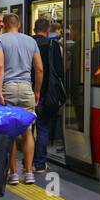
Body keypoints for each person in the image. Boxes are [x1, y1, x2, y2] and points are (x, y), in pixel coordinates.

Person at [0, 12, 43, 185]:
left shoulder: (0, 40)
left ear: (4, 25)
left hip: (8, 88)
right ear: (19, 25)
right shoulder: (31, 41)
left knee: (11, 134)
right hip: (26, 89)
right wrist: (36, 91)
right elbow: (39, 69)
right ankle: (29, 173)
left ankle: (13, 174)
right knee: (28, 131)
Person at [32, 17, 66, 173]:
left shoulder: (28, 43)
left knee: (26, 130)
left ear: (34, 30)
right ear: (47, 31)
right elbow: (60, 71)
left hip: (28, 91)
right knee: (43, 129)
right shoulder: (53, 45)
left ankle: (27, 163)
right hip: (47, 93)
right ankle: (39, 164)